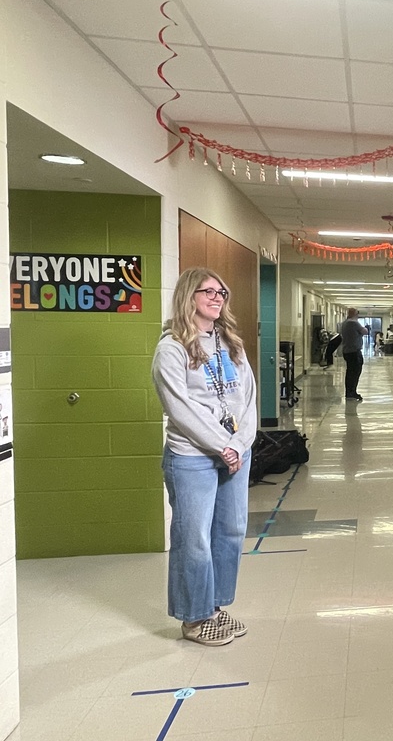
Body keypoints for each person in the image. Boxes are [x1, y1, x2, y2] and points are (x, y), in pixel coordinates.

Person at [152, 268, 257, 646]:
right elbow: (180, 409)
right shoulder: (172, 348)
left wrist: (241, 443)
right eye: (208, 291)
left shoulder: (231, 344)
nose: (217, 298)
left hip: (234, 454)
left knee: (230, 531)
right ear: (188, 296)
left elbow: (247, 401)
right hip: (192, 457)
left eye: (222, 293)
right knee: (193, 538)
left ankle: (214, 605)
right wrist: (223, 446)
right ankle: (194, 619)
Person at [341, 307, 369, 401]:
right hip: (354, 351)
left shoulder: (344, 323)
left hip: (347, 351)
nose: (358, 316)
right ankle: (351, 392)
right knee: (354, 372)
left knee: (350, 372)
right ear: (354, 314)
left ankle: (350, 392)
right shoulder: (353, 323)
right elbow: (365, 331)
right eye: (357, 314)